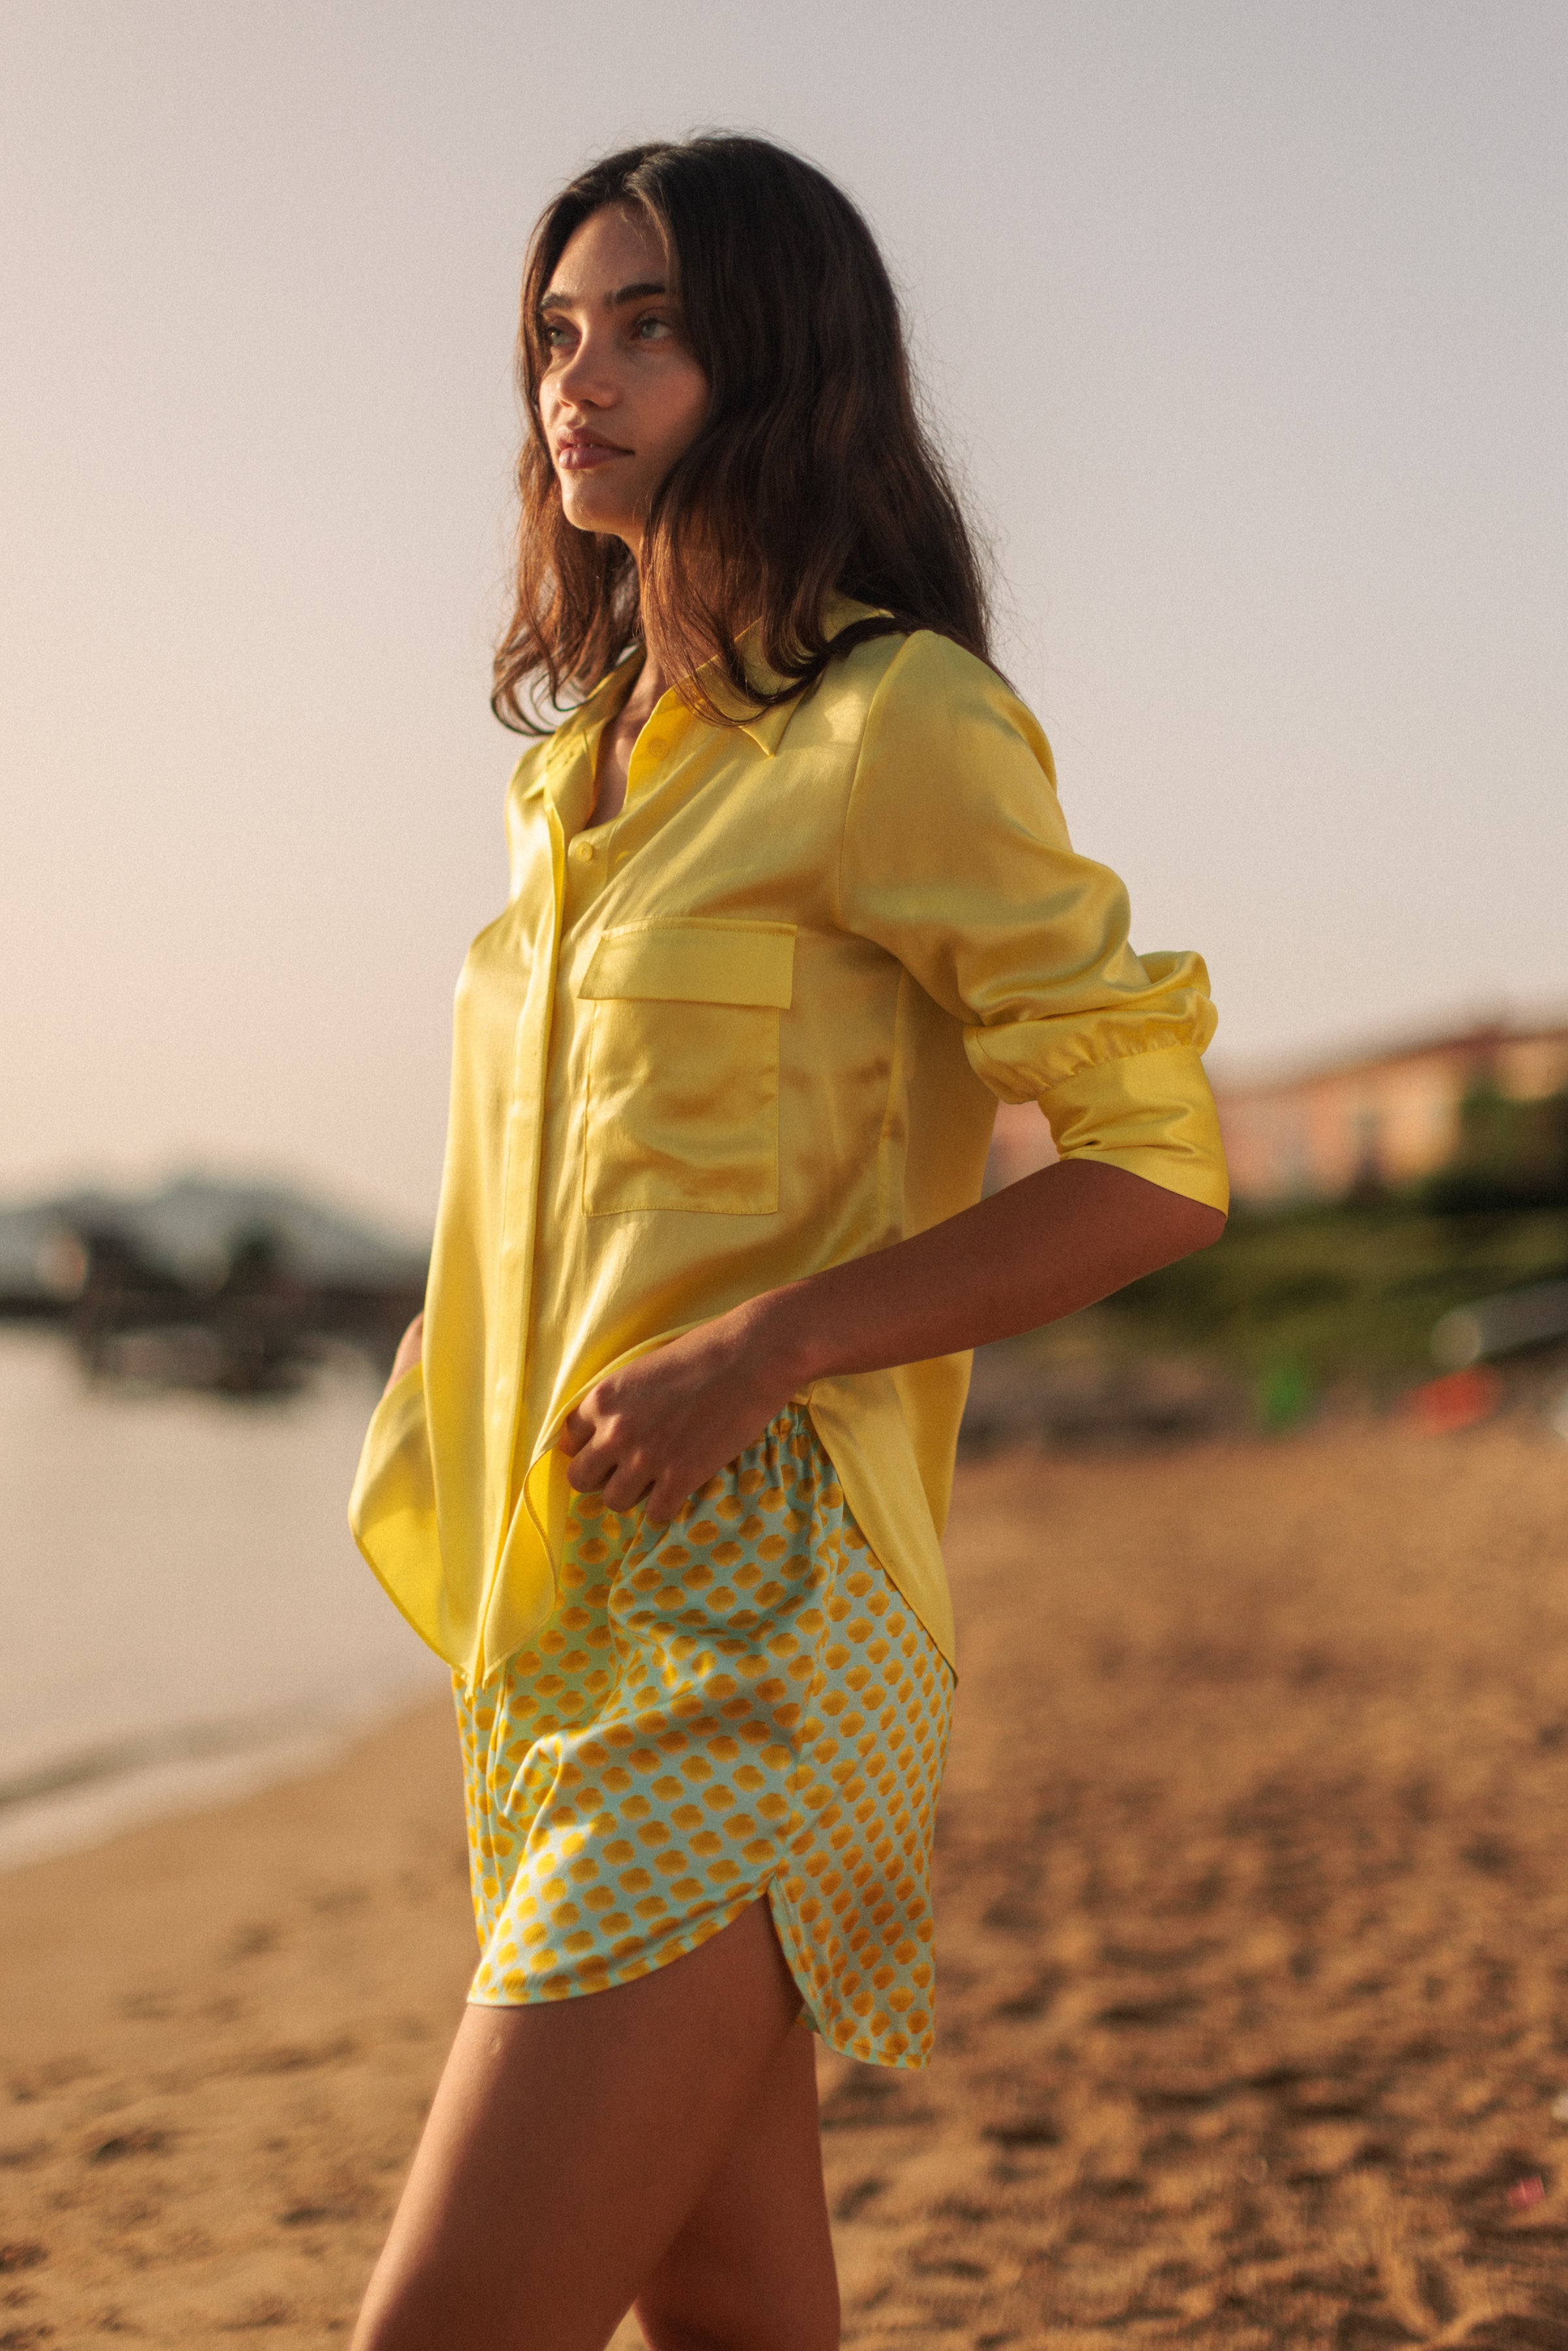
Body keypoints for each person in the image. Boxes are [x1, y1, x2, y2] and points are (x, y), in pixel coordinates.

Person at [346, 133, 1228, 2351]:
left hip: (768, 1619)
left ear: (786, 358)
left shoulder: (890, 724)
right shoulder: (573, 797)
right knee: (737, 2311)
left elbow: (1150, 1158)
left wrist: (771, 1344)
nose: (582, 379)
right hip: (542, 1638)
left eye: (649, 324)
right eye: (557, 332)